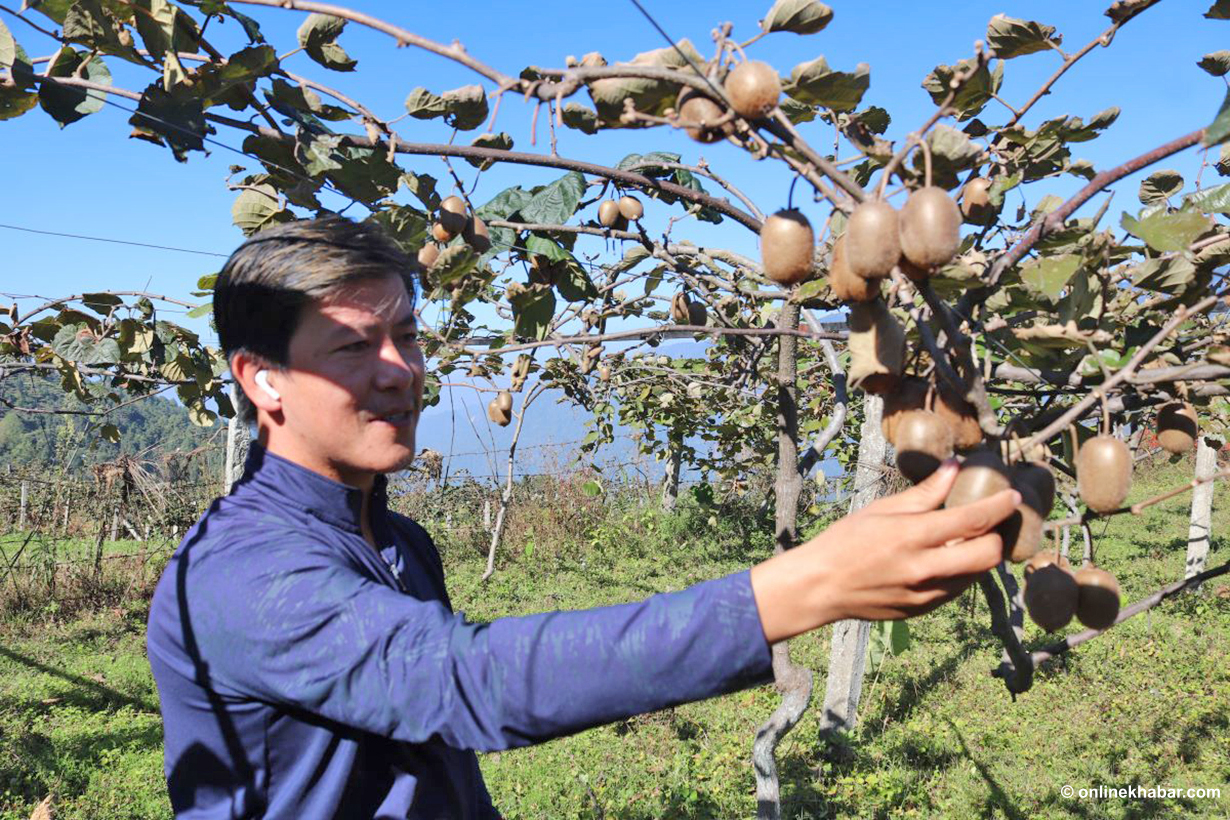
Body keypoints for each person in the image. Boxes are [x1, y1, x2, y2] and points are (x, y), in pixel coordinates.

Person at [146, 216, 1018, 819]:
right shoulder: (240, 574)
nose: (399, 370)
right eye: (351, 345)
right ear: (262, 379)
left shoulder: (398, 541)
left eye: (405, 336)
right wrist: (801, 588)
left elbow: (436, 764)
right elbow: (463, 683)